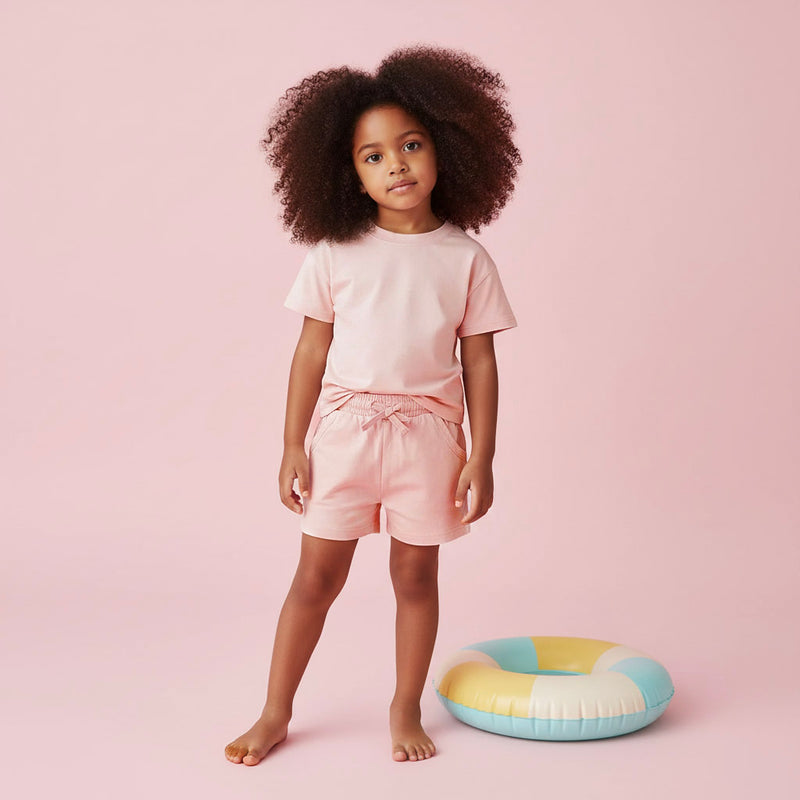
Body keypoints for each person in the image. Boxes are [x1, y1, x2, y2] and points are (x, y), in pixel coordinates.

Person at [225, 44, 521, 766]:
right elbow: (310, 352)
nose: (397, 165)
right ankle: (274, 711)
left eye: (411, 145)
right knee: (315, 578)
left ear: (446, 148)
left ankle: (404, 706)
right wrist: (292, 444)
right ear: (348, 174)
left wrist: (482, 455)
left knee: (416, 578)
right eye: (373, 155)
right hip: (345, 436)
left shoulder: (467, 259)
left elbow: (480, 361)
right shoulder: (335, 252)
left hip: (429, 440)